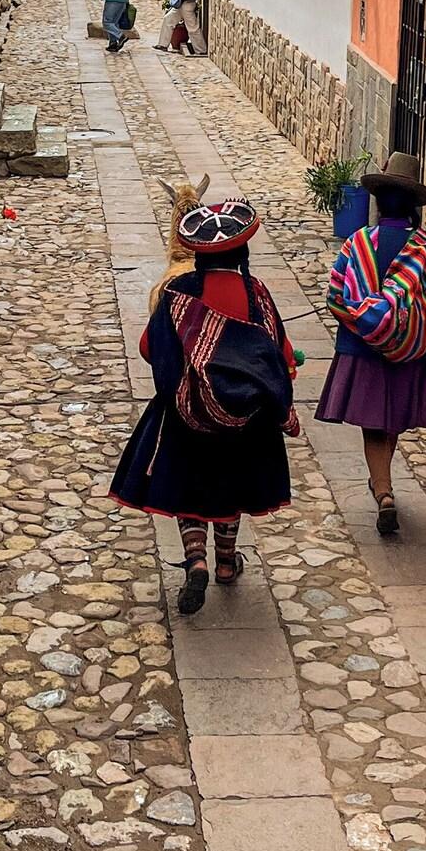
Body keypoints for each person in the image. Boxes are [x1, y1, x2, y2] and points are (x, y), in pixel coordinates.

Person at [111, 198, 299, 614]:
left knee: (190, 484)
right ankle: (227, 563)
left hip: (186, 413)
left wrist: (189, 367)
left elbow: (148, 347)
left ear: (198, 254)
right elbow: (278, 351)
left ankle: (196, 560)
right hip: (246, 418)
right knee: (232, 485)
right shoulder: (255, 293)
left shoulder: (177, 294)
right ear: (241, 252)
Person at [317, 151, 426, 535]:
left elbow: (335, 295)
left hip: (361, 349)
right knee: (392, 417)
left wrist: (364, 319)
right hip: (410, 353)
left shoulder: (357, 244)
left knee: (372, 422)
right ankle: (382, 485)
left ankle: (383, 489)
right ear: (414, 205)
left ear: (379, 202)